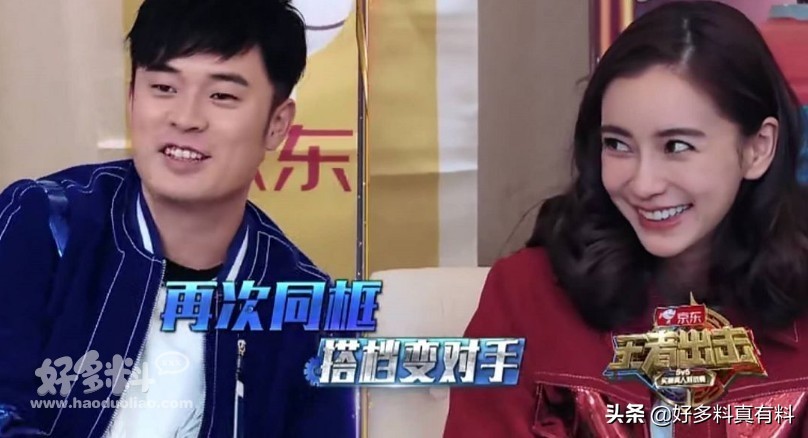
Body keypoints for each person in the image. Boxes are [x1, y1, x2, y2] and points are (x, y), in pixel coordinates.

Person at [444, 2, 808, 437]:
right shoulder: (524, 295)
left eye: (676, 146)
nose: (643, 183)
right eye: (617, 144)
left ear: (757, 148)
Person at [0, 0, 355, 436]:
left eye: (222, 95)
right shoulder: (48, 226)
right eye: (164, 87)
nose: (185, 119)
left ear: (277, 123)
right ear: (132, 96)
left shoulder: (307, 311)